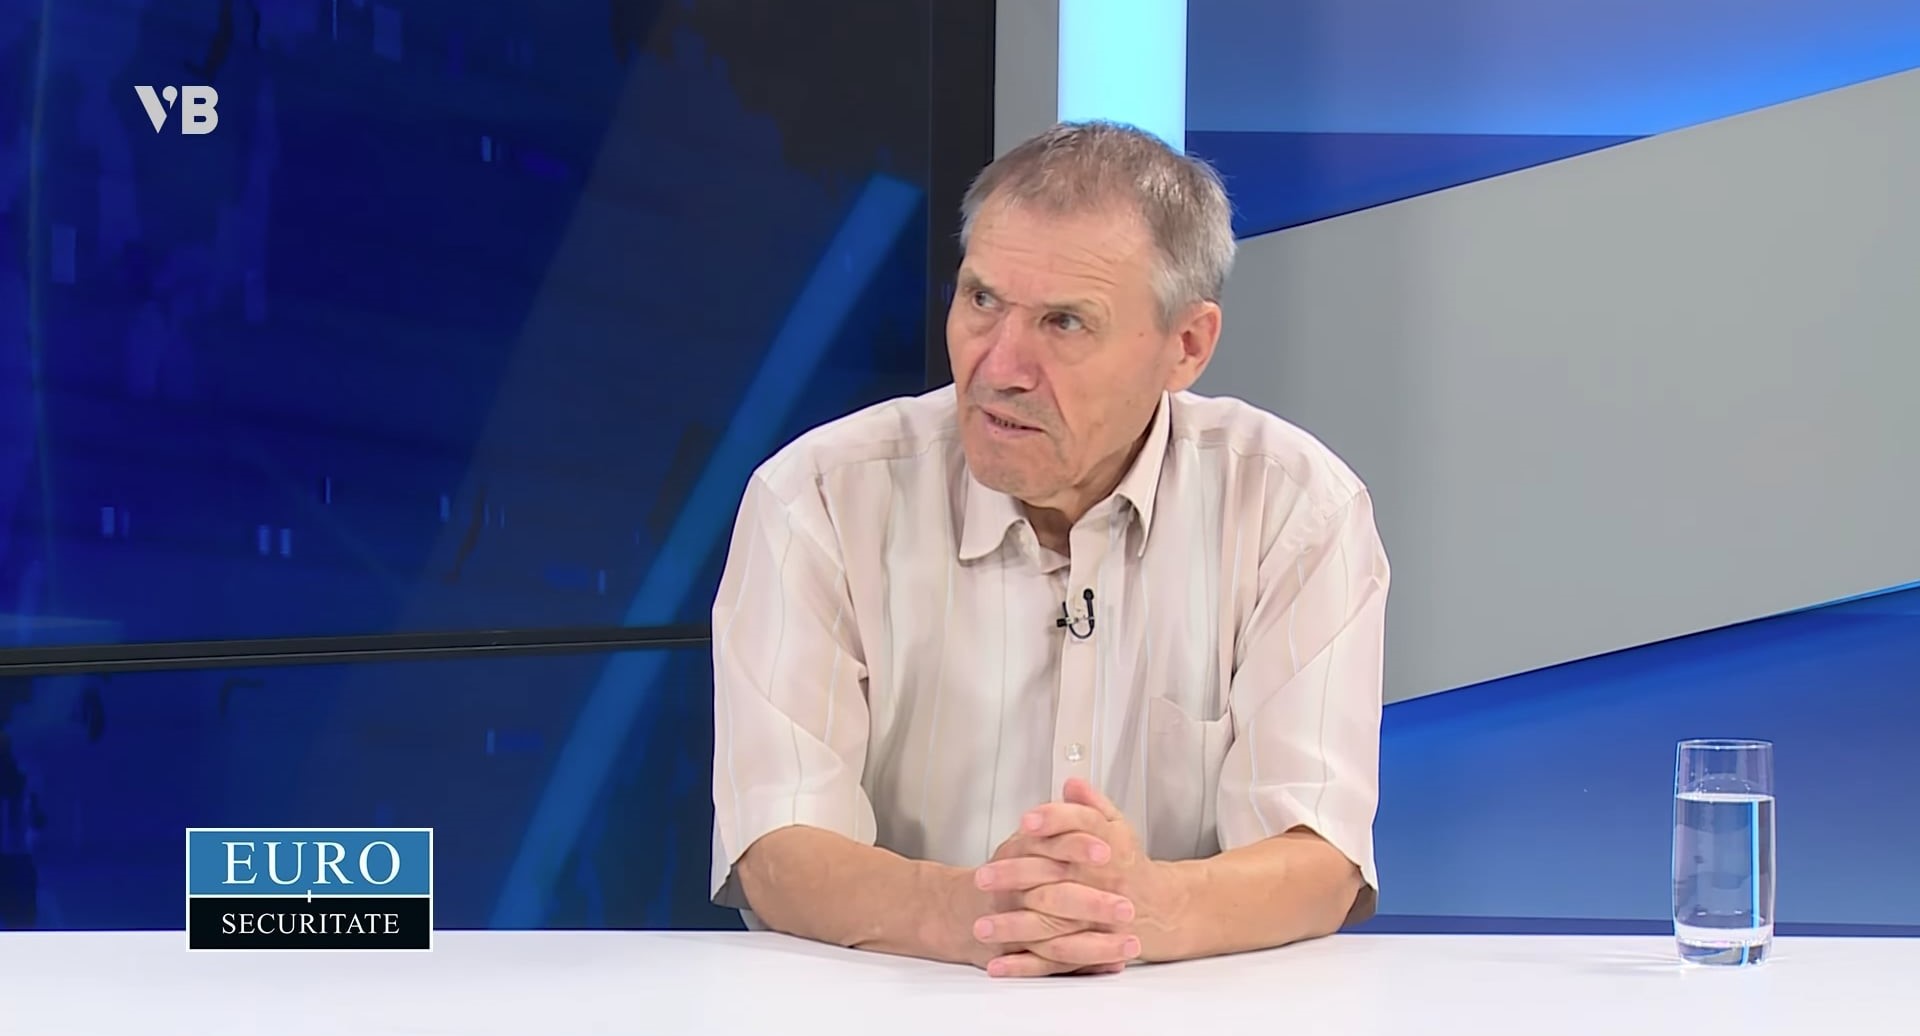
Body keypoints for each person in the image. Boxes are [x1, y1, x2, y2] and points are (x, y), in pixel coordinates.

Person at [708, 120, 1390, 978]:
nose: (1000, 366)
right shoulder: (817, 499)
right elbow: (774, 847)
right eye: (981, 301)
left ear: (1186, 345)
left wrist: (1139, 907)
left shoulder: (1294, 509)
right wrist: (969, 912)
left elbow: (1320, 858)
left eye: (1064, 322)